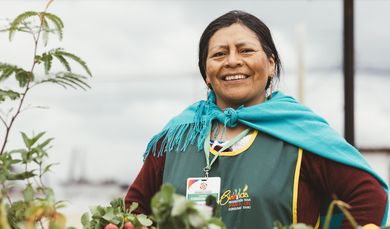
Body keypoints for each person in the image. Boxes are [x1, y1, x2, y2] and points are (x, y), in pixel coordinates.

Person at [125, 10, 388, 229]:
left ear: (271, 64)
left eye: (245, 50)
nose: (232, 61)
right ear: (206, 72)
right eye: (219, 54)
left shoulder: (301, 133)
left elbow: (368, 196)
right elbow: (134, 210)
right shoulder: (178, 137)